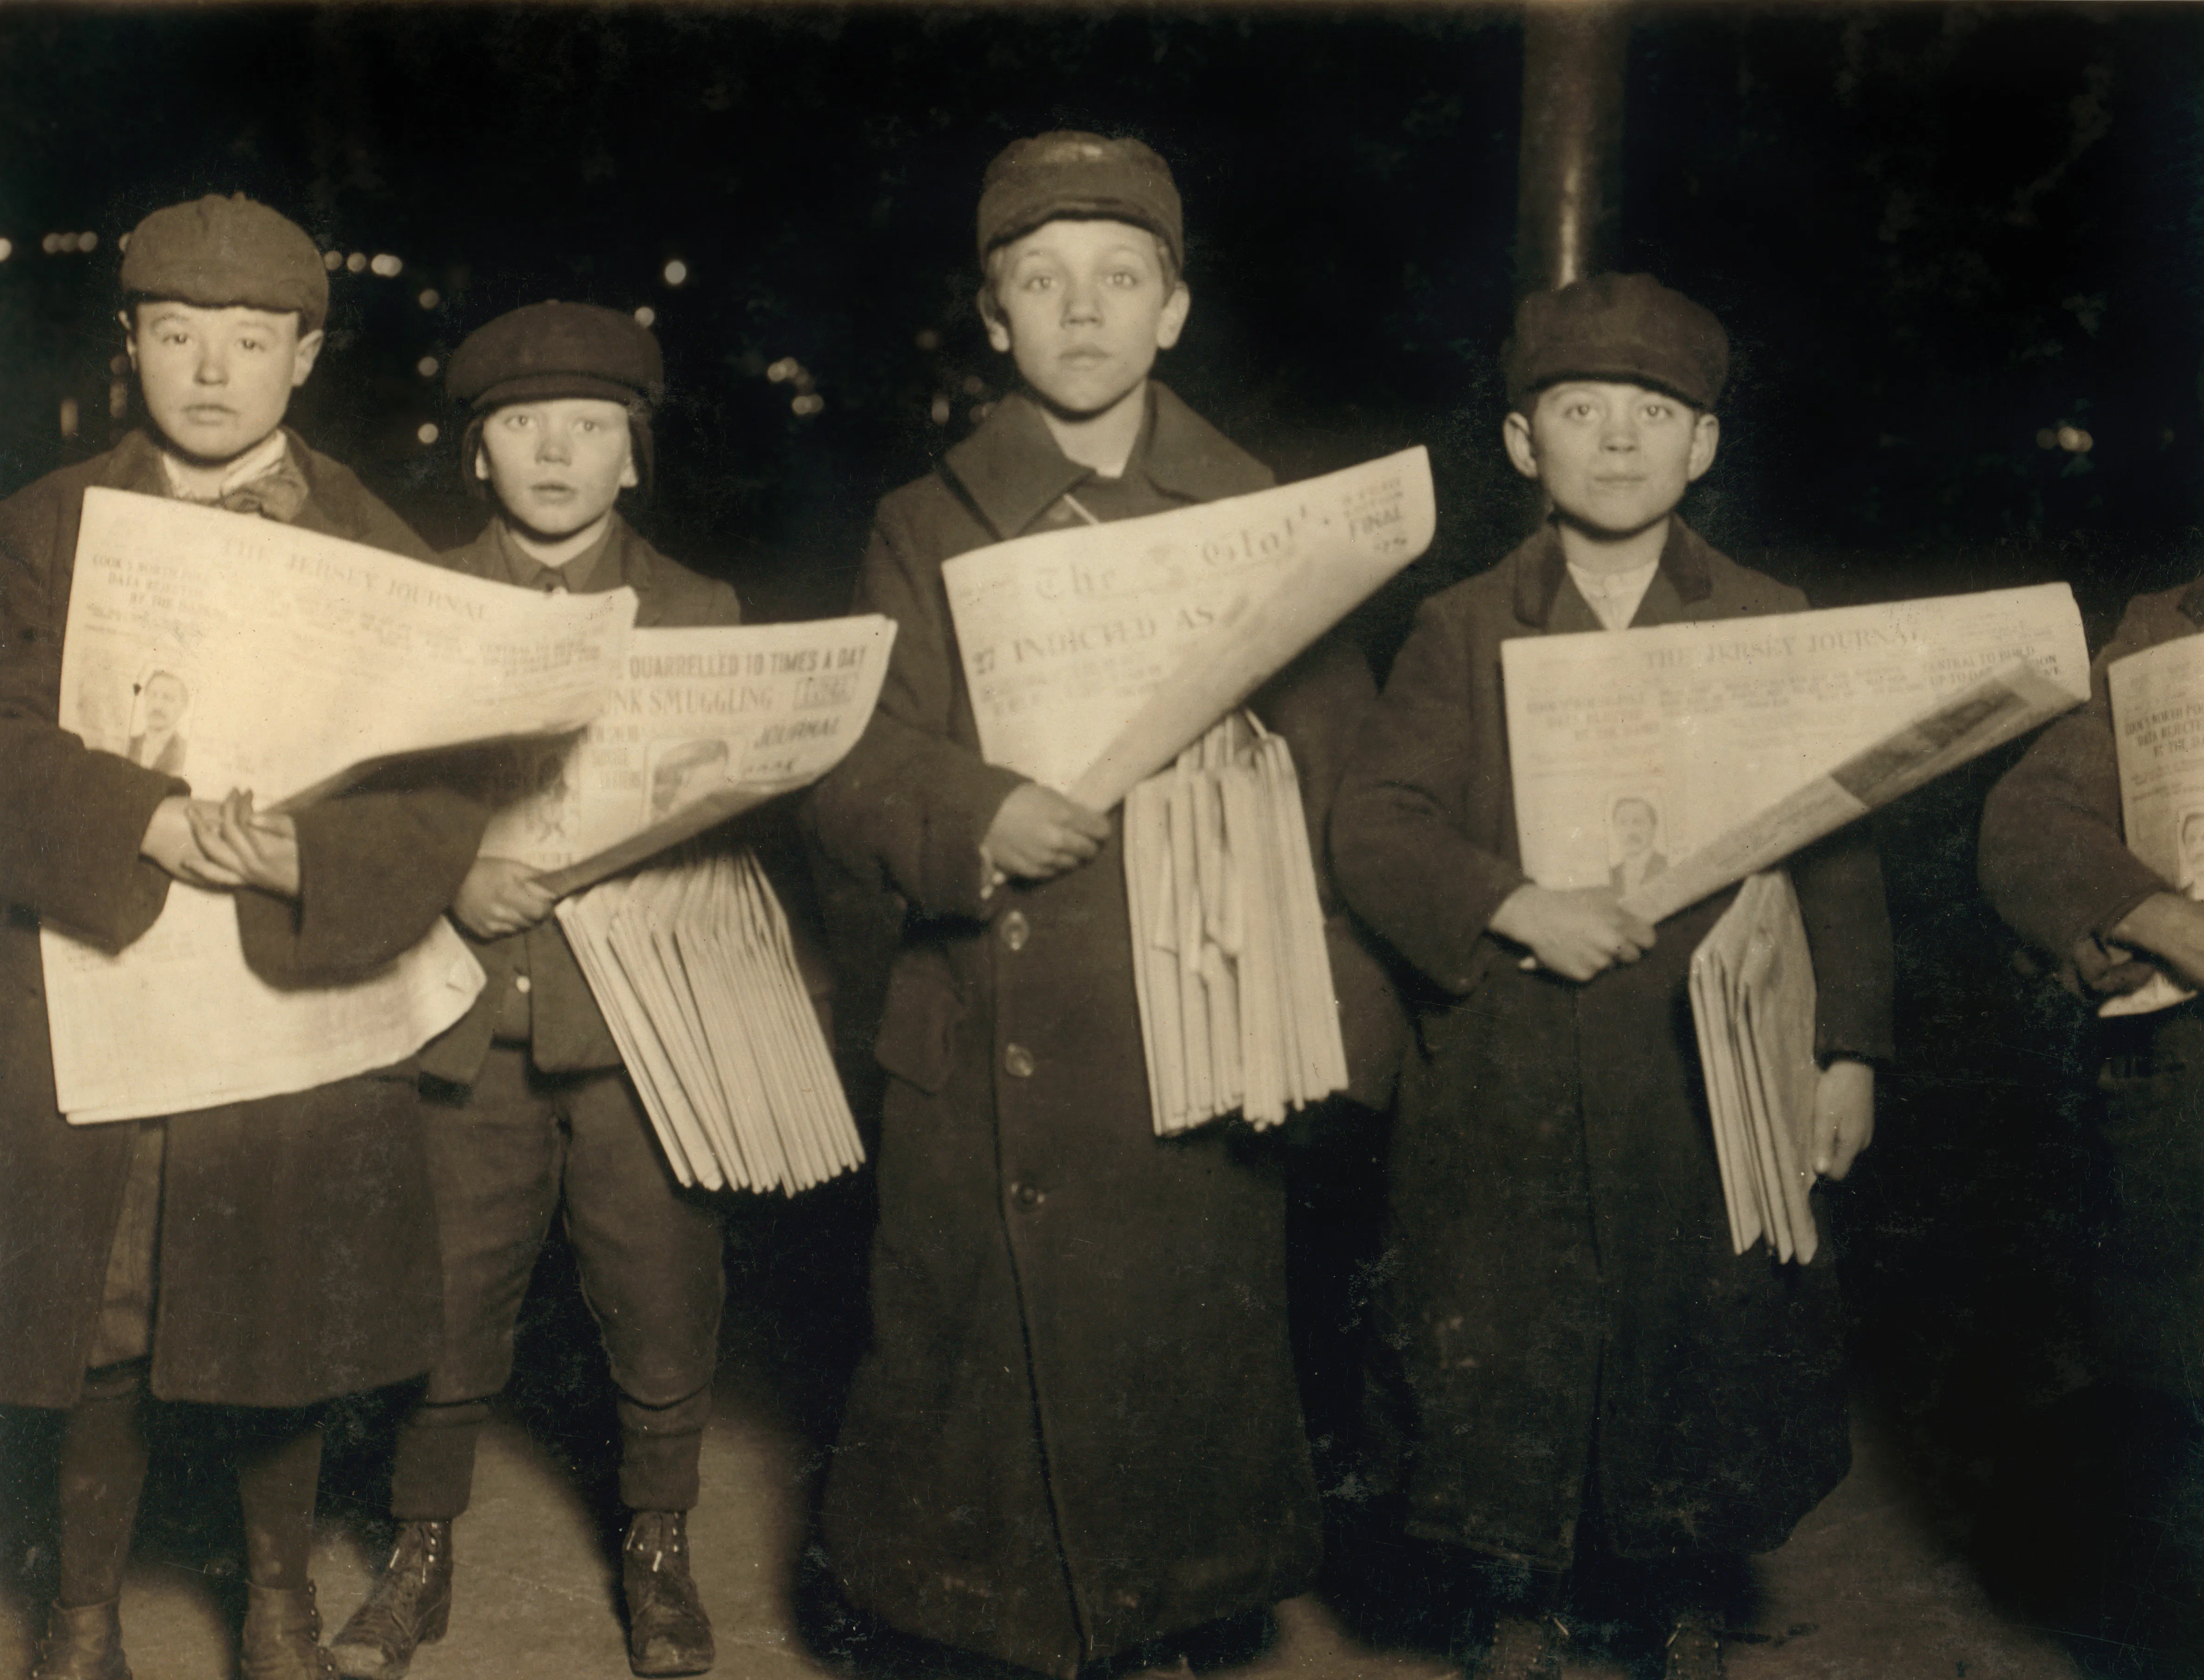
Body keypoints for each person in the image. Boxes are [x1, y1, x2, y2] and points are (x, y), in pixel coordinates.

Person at [807, 131, 1396, 1680]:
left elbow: (1346, 781)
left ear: (1174, 311)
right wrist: (971, 811)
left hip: (1188, 1024)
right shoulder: (924, 521)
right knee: (972, 1394)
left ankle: (1165, 1626)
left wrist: (1333, 1022)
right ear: (992, 316)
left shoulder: (1261, 517)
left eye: (1121, 278)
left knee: (1175, 1367)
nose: (1083, 310)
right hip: (985, 1028)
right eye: (1043, 279)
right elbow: (853, 759)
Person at [1329, 274, 1894, 1680]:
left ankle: (1659, 1593)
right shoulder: (1460, 626)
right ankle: (1503, 1591)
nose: (1620, 440)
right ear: (1522, 443)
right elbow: (1377, 823)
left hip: (1702, 1078)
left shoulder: (1767, 617)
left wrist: (1848, 1049)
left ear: (1704, 445)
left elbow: (1838, 845)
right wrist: (1511, 899)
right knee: (1498, 1345)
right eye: (1579, 411)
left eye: (1655, 412)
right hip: (1503, 1065)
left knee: (1694, 1338)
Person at [0, 193, 486, 1680]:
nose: (212, 371)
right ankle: (83, 1611)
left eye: (251, 338)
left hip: (289, 980)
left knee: (278, 1301)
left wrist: (314, 853)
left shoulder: (370, 539)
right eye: (177, 334)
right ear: (130, 343)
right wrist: (137, 817)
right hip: (101, 962)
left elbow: (446, 781)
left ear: (307, 355)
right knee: (106, 1298)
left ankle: (278, 1602)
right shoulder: (47, 520)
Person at [329, 301, 741, 1680]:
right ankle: (420, 1543)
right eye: (520, 425)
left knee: (661, 1279)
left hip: (640, 1021)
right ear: (476, 452)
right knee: (446, 1285)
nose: (555, 452)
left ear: (635, 454)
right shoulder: (421, 606)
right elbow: (360, 796)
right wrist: (452, 869)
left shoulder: (702, 611)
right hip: (467, 1016)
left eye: (590, 426)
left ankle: (660, 1543)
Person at [1980, 575, 2204, 1669]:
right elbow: (2024, 822)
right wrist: (2151, 916)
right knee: (2175, 1409)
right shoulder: (2165, 632)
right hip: (2185, 1095)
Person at [126, 669, 190, 775]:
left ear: (183, 707)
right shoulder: (128, 744)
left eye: (168, 698)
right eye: (153, 695)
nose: (158, 706)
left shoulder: (187, 752)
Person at [1606, 793, 1666, 895]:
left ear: (1654, 828)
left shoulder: (1668, 868)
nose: (1630, 831)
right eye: (1623, 823)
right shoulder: (1610, 876)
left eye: (1638, 822)